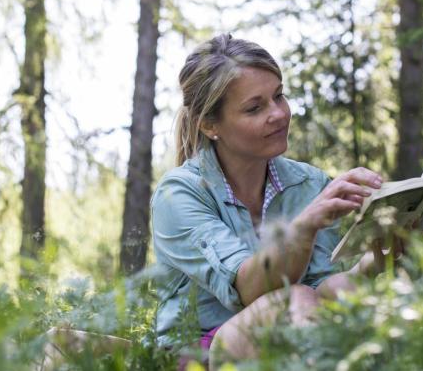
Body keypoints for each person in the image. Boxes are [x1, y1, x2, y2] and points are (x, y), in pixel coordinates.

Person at [151, 33, 387, 368]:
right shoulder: (179, 194)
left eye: (279, 96)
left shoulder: (308, 183)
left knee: (342, 290)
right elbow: (252, 290)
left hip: (294, 331)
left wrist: (373, 263)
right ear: (209, 125)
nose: (278, 114)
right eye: (255, 107)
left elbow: (322, 287)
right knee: (294, 298)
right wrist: (305, 227)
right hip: (199, 353)